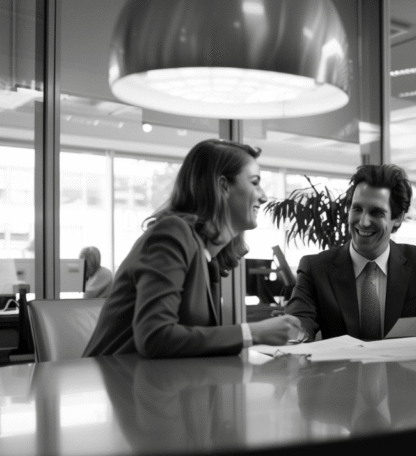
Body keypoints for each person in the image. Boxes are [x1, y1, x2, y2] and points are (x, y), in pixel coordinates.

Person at [284, 163, 416, 456]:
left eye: (377, 212)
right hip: (335, 401)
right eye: (357, 209)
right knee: (306, 447)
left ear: (397, 219)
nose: (363, 221)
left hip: (407, 398)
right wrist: (296, 332)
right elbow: (299, 321)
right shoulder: (316, 267)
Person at [83, 139, 300, 358]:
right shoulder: (172, 233)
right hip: (114, 376)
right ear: (223, 186)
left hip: (153, 377)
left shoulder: (206, 256)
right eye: (254, 183)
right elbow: (155, 337)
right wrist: (252, 332)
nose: (263, 197)